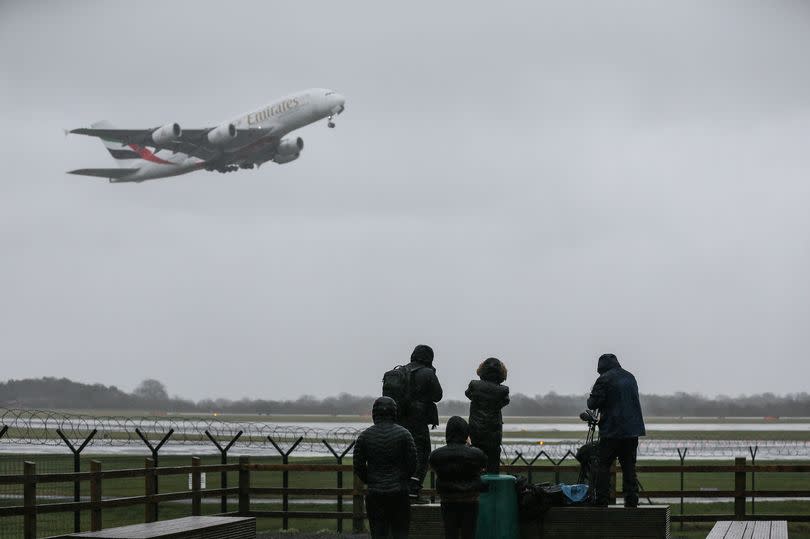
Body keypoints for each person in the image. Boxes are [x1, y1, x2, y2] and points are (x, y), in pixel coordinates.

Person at [586, 353, 646, 507]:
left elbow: (593, 403)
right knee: (629, 468)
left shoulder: (604, 379)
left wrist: (591, 395)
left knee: (603, 466)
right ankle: (631, 502)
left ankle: (602, 501)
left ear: (601, 368)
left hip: (612, 430)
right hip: (632, 431)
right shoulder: (630, 377)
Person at [353, 396, 417, 539]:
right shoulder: (404, 434)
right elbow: (412, 463)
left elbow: (358, 465)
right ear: (394, 412)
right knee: (400, 532)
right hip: (399, 491)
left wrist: (371, 480)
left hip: (375, 492)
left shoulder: (364, 436)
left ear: (374, 413)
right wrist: (402, 479)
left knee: (378, 532)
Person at [396, 344, 443, 500]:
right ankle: (413, 491)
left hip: (398, 421)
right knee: (422, 455)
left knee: (401, 455)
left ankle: (401, 490)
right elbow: (438, 395)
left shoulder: (399, 371)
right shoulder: (427, 373)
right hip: (418, 421)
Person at [429, 416, 487, 539]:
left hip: (448, 499)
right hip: (470, 499)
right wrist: (469, 446)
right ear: (466, 432)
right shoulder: (476, 454)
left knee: (450, 533)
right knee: (469, 534)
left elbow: (435, 468)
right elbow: (482, 465)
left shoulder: (436, 455)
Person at [465, 357, 510, 473]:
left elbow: (468, 394)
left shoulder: (474, 385)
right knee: (492, 468)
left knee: (475, 466)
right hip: (493, 434)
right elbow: (504, 402)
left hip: (476, 432)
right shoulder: (503, 391)